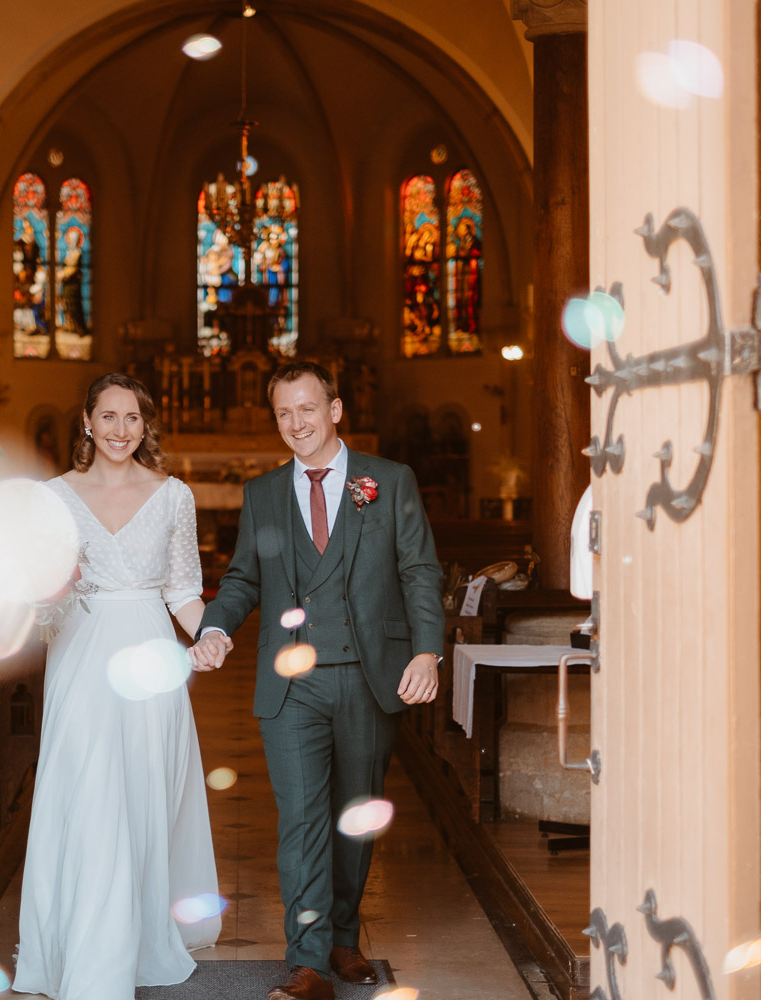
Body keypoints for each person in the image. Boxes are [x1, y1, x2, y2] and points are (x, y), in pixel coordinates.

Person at [188, 361, 444, 1000]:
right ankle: (306, 963)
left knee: (355, 816)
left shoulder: (388, 480)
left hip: (368, 676)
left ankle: (342, 938)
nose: (296, 423)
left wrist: (427, 653)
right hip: (290, 684)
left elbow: (418, 570)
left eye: (307, 409)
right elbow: (243, 577)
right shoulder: (262, 493)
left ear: (335, 409)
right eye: (283, 413)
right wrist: (215, 627)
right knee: (301, 820)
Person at [14, 372, 221, 1000]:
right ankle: (81, 953)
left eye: (132, 418)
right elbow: (35, 590)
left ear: (145, 424)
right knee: (83, 791)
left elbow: (182, 588)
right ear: (86, 422)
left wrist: (207, 634)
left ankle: (132, 941)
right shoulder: (53, 495)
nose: (119, 430)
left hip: (151, 655)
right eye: (108, 417)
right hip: (80, 651)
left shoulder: (173, 494)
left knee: (140, 792)